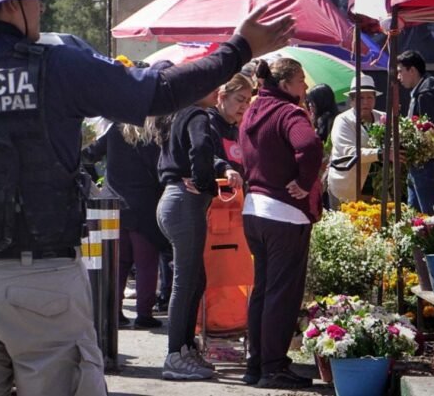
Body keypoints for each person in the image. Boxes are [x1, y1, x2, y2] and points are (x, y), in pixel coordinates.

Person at [0, 0, 295, 395]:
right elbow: (158, 92)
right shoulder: (58, 66)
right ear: (13, 5)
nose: (41, 8)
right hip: (42, 283)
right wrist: (238, 48)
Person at [238, 58, 323, 389]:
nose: (305, 87)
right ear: (286, 84)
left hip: (254, 210)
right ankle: (273, 367)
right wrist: (303, 182)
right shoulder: (289, 113)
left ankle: (256, 363)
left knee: (262, 291)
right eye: (301, 79)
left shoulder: (254, 111)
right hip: (284, 213)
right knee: (281, 294)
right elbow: (309, 144)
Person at [157, 87, 242, 380]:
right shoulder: (196, 115)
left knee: (195, 279)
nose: (217, 89)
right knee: (186, 281)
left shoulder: (181, 113)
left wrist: (223, 168)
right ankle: (175, 356)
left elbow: (204, 153)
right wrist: (207, 184)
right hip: (183, 202)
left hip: (174, 201)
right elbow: (201, 148)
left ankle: (185, 349)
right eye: (212, 84)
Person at [82, 120, 167, 330]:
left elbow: (89, 154)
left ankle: (114, 312)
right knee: (146, 263)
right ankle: (144, 314)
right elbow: (160, 171)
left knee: (118, 263)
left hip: (113, 204)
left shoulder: (114, 130)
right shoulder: (155, 133)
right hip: (144, 204)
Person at [396, 50, 434, 214]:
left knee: (429, 216)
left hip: (426, 165)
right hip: (418, 164)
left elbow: (432, 134)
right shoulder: (421, 93)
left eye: (400, 71)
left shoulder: (425, 95)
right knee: (415, 215)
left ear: (412, 70)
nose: (398, 77)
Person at [326, 75, 385, 208]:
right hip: (347, 186)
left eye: (370, 97)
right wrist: (381, 153)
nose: (366, 102)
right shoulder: (343, 120)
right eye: (360, 98)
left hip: (376, 187)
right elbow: (350, 152)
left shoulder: (383, 118)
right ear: (352, 101)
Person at [208, 73, 254, 175]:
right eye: (240, 100)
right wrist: (225, 169)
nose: (244, 106)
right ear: (222, 97)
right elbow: (203, 155)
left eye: (248, 101)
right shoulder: (206, 123)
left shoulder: (236, 130)